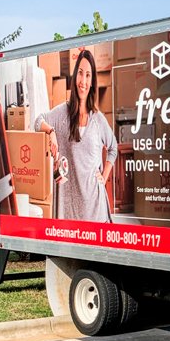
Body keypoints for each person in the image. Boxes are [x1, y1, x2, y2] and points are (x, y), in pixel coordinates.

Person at [35, 49, 118, 222]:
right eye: (80, 73)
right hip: (69, 212)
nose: (83, 81)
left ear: (92, 81)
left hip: (95, 210)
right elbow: (37, 121)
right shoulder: (62, 113)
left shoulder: (97, 119)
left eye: (88, 75)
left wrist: (104, 177)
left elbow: (113, 148)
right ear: (75, 76)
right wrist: (51, 131)